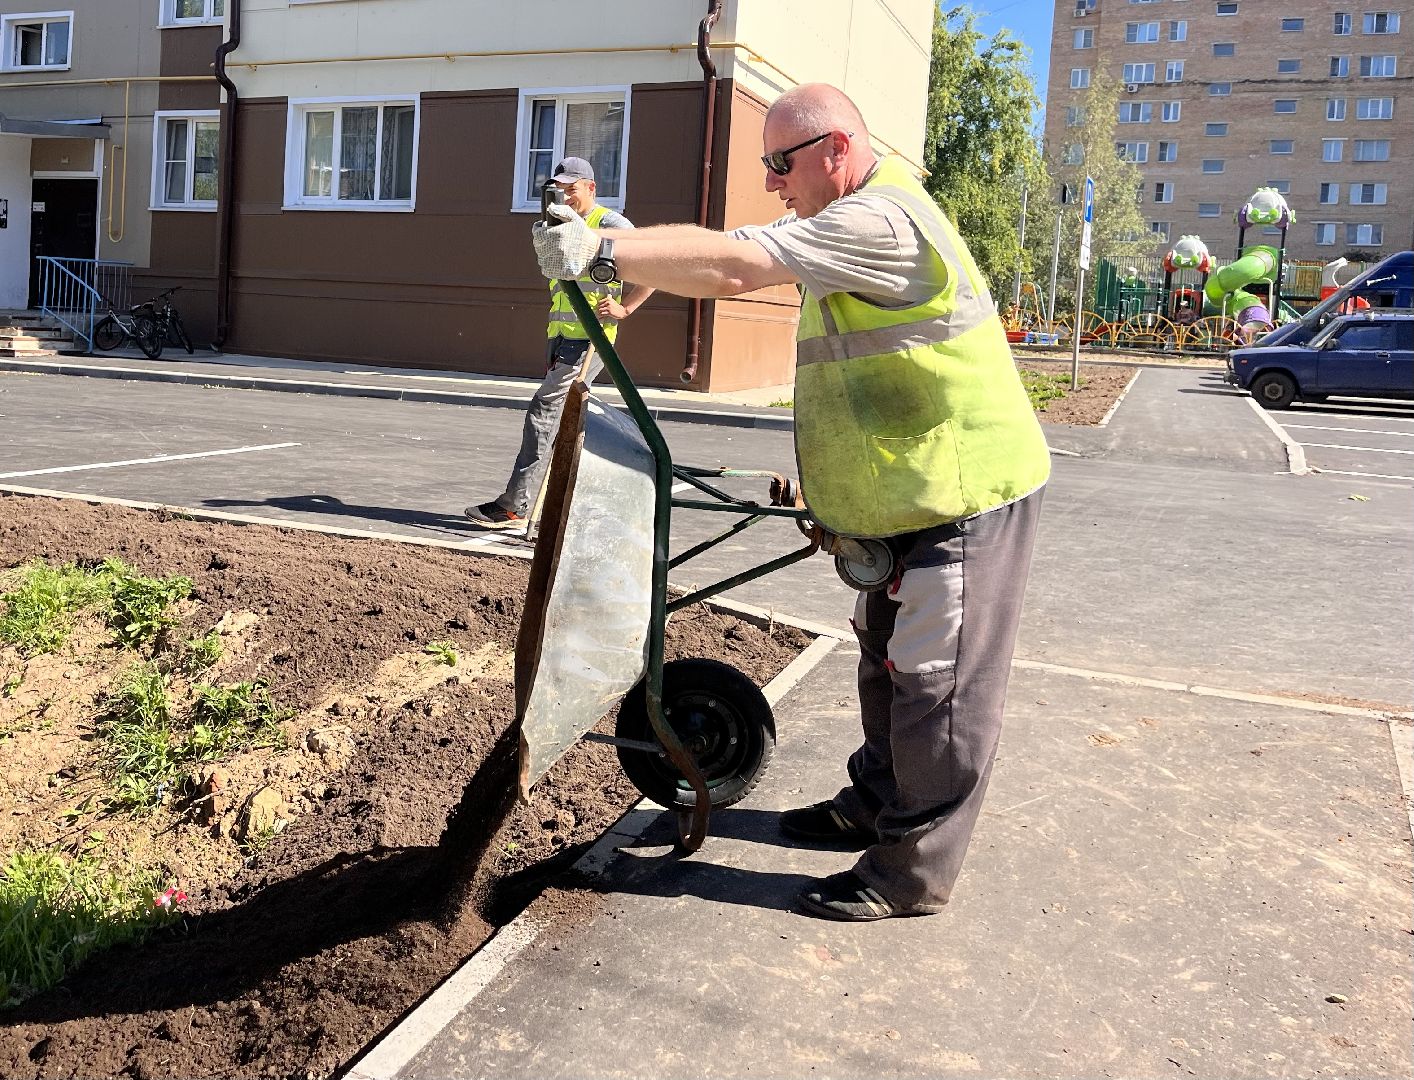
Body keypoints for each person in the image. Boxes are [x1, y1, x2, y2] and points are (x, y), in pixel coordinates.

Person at [531, 84, 1051, 922]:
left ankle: (909, 872)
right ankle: (874, 806)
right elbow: (861, 379)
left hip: (964, 494)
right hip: (902, 497)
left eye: (781, 163)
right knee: (886, 662)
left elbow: (737, 262)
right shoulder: (852, 229)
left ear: (835, 150)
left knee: (938, 688)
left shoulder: (883, 220)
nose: (773, 182)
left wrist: (601, 250)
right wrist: (829, 487)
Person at [465, 157, 654, 529]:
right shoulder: (559, 224)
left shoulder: (610, 224)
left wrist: (626, 307)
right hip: (561, 338)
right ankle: (575, 509)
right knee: (567, 421)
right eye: (559, 188)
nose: (565, 195)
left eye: (572, 188)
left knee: (544, 413)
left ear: (591, 188)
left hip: (590, 339)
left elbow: (652, 265)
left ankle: (514, 505)